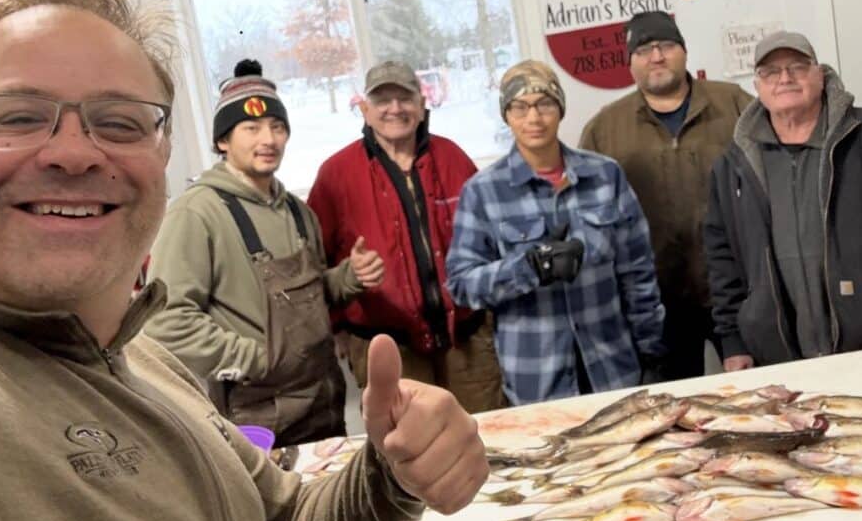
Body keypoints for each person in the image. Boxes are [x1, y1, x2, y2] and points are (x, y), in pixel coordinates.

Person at [0, 0, 487, 521]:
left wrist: (390, 477)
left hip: (316, 399)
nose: (73, 152)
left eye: (119, 122)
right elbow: (182, 314)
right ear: (221, 141)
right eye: (15, 116)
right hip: (266, 403)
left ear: (160, 149)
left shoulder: (142, 358)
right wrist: (254, 357)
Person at [144, 59, 383, 445]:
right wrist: (257, 358)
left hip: (324, 406)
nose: (267, 139)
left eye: (276, 127)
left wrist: (349, 277)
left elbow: (310, 296)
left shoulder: (296, 211)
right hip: (257, 419)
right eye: (250, 128)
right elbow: (165, 322)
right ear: (223, 141)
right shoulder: (197, 214)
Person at [704, 30, 862, 370]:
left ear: (820, 74)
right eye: (771, 72)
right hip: (778, 362)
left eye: (797, 66)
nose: (785, 78)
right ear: (757, 85)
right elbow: (723, 263)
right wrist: (733, 342)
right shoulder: (734, 165)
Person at [446, 60, 665, 406]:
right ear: (507, 115)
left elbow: (637, 272)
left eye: (544, 104)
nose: (533, 118)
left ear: (560, 109)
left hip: (613, 370)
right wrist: (528, 268)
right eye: (520, 107)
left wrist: (651, 348)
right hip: (537, 380)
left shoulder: (605, 175)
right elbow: (462, 285)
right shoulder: (483, 191)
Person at [308, 61, 504, 414]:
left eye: (405, 97)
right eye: (383, 99)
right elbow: (314, 264)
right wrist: (336, 327)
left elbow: (489, 237)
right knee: (407, 452)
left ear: (422, 104)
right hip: (386, 348)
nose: (395, 108)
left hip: (467, 341)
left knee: (485, 435)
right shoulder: (335, 174)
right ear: (365, 110)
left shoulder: (454, 158)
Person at [579, 11, 753, 381]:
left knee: (760, 396)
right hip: (657, 305)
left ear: (684, 52)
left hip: (739, 291)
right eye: (643, 49)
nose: (656, 56)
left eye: (666, 45)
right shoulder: (604, 130)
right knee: (675, 416)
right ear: (630, 64)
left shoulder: (736, 105)